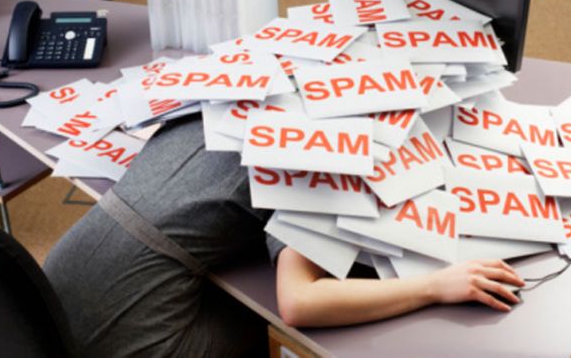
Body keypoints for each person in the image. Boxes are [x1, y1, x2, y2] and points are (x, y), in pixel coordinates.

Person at [44, 115, 524, 357]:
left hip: (49, 292)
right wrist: (435, 286)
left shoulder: (221, 100)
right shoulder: (309, 153)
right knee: (267, 323)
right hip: (130, 332)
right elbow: (300, 303)